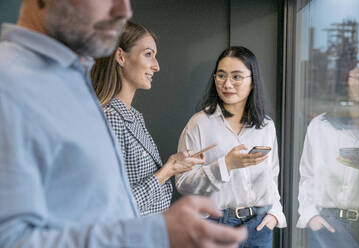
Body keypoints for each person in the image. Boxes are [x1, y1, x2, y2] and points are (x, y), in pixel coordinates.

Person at [0, 0, 247, 247]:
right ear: (121, 56)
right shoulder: (12, 84)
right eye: (148, 54)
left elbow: (104, 210)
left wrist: (171, 172)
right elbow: (12, 239)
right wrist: (156, 230)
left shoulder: (77, 91)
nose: (124, 10)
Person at [176, 46, 287, 248]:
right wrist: (226, 164)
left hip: (259, 226)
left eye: (236, 77)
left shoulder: (266, 126)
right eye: (221, 76)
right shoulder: (199, 124)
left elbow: (272, 176)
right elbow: (183, 182)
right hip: (214, 224)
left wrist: (275, 213)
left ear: (253, 81)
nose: (227, 84)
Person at [91, 21, 202, 216]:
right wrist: (165, 172)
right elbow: (112, 208)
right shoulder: (108, 119)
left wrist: (174, 165)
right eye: (148, 54)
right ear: (120, 57)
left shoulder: (132, 116)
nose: (156, 66)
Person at [297, 63, 359, 248]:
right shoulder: (321, 126)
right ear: (345, 81)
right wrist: (310, 216)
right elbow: (307, 177)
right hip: (327, 223)